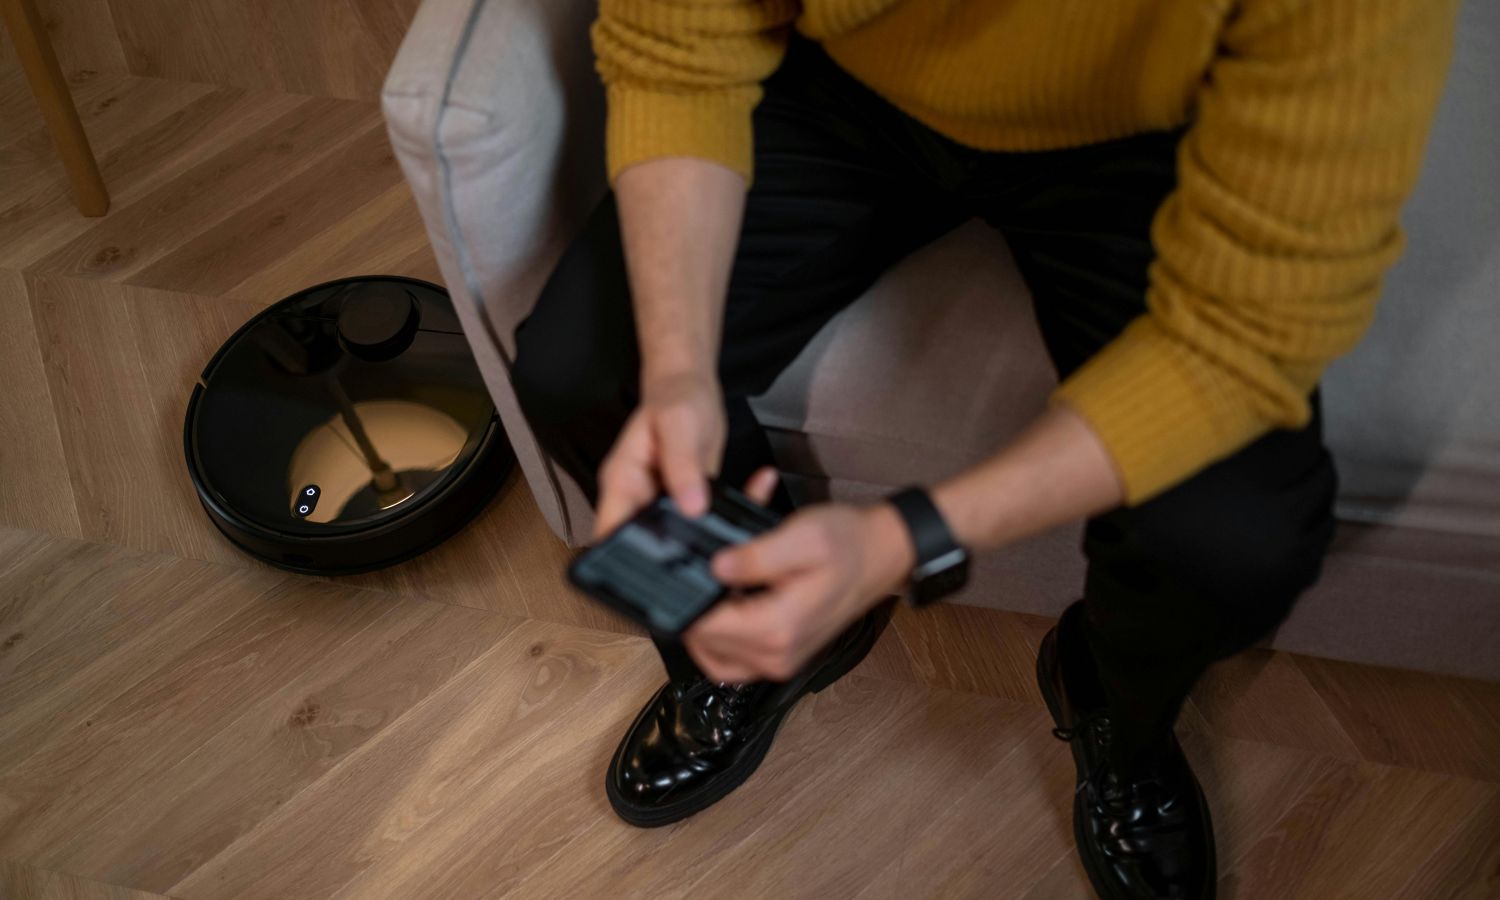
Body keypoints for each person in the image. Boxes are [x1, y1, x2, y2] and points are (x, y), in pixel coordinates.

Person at [510, 1, 1458, 896]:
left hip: (1150, 132)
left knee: (1233, 538)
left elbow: (1243, 343)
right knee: (584, 370)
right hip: (848, 75)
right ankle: (759, 634)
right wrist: (679, 373)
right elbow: (678, 41)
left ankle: (1113, 706)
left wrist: (901, 539)